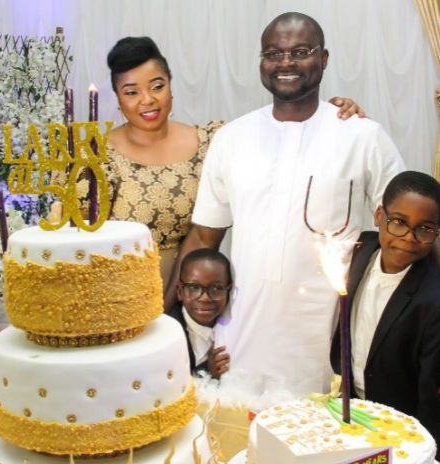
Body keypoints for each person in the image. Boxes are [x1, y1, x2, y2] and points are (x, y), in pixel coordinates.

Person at [165, 12, 405, 396]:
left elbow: (406, 226)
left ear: (324, 58)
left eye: (300, 52)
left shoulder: (362, 136)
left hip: (327, 342)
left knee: (321, 428)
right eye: (274, 53)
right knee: (238, 429)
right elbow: (203, 237)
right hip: (241, 340)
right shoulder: (232, 139)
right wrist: (165, 320)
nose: (286, 62)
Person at [54, 36, 364, 285]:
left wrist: (329, 114)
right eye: (132, 92)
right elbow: (72, 239)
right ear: (118, 99)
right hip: (115, 295)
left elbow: (285, 140)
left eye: (157, 86)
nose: (147, 100)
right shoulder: (94, 155)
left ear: (171, 86)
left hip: (197, 298)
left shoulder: (213, 141)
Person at [330, 171, 440, 457]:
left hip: (400, 430)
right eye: (399, 222)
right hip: (350, 410)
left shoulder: (432, 299)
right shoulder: (359, 249)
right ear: (379, 216)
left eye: (425, 228)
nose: (409, 238)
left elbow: (429, 390)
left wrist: (427, 455)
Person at [170, 248, 231, 379]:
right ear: (180, 291)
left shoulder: (236, 324)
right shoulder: (169, 336)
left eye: (216, 288)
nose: (205, 298)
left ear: (229, 291)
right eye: (194, 287)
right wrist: (208, 370)